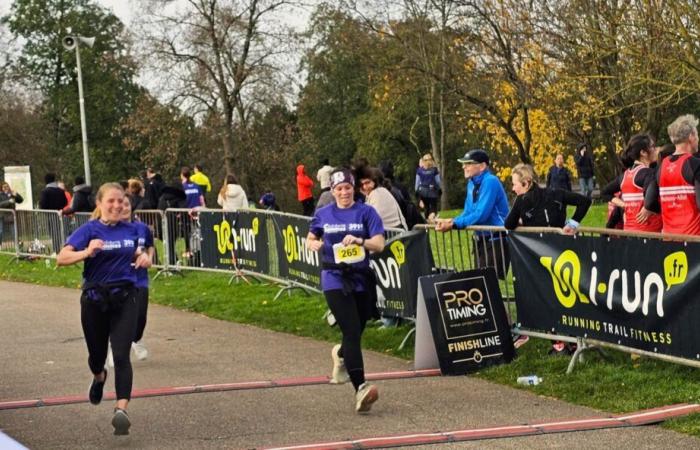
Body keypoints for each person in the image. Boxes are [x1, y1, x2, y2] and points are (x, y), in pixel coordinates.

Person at [56, 182, 152, 436]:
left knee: (121, 355)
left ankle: (121, 411)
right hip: (95, 298)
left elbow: (142, 254)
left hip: (125, 297)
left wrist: (145, 259)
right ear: (99, 204)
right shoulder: (88, 230)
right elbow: (61, 258)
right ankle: (99, 378)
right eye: (111, 201)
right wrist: (87, 252)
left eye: (121, 201)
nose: (117, 205)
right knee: (97, 357)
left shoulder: (132, 230)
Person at [306, 168, 385, 413]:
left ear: (355, 189)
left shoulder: (366, 212)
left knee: (357, 330)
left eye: (347, 188)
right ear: (332, 191)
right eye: (339, 189)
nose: (343, 193)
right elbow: (309, 238)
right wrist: (314, 244)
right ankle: (361, 388)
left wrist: (360, 240)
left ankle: (340, 355)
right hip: (333, 278)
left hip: (360, 278)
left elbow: (379, 244)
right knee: (351, 330)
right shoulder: (323, 214)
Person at [435, 149, 510, 279]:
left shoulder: (490, 181)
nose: (464, 167)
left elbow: (481, 214)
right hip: (480, 239)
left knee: (487, 282)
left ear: (482, 166)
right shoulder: (471, 183)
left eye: (468, 163)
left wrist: (454, 224)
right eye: (464, 164)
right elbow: (468, 212)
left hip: (496, 238)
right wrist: (452, 221)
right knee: (480, 281)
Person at [107, 197, 154, 366]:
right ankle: (116, 348)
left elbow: (150, 245)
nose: (124, 208)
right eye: (121, 205)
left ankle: (137, 339)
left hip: (140, 279)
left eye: (127, 205)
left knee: (140, 316)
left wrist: (148, 258)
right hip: (119, 278)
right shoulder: (110, 230)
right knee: (119, 316)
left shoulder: (141, 228)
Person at [647, 114, 700, 235]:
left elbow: (649, 202)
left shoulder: (662, 166)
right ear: (691, 136)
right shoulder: (695, 164)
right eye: (697, 134)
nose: (698, 138)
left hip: (669, 238)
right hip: (693, 239)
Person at [600, 133, 662, 232]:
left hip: (629, 230)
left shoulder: (625, 175)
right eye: (653, 147)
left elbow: (604, 193)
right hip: (648, 232)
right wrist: (650, 208)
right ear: (643, 152)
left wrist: (624, 205)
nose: (656, 150)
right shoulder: (648, 173)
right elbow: (651, 201)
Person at [415, 153, 441, 220]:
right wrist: (439, 189)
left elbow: (417, 183)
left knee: (426, 207)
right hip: (432, 192)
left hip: (422, 192)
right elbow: (438, 181)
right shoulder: (434, 170)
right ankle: (432, 219)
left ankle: (426, 221)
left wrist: (416, 191)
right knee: (433, 207)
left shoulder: (419, 170)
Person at [0, 181, 23, 248]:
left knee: (14, 232)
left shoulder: (11, 193)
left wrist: (16, 195)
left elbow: (20, 200)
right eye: (4, 187)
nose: (6, 188)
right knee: (0, 231)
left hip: (11, 216)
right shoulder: (0, 194)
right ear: (1, 188)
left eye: (7, 186)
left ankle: (17, 246)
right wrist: (8, 201)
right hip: (2, 215)